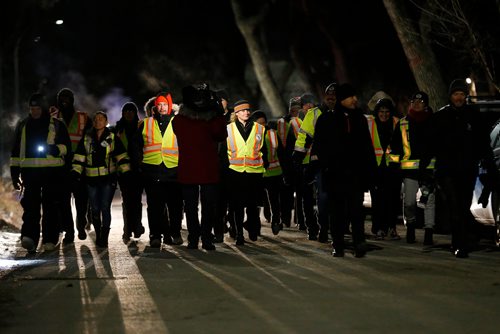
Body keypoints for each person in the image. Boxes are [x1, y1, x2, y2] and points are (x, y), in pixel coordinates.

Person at [420, 79, 499, 258]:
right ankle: (459, 244)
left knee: (463, 207)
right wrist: (424, 168)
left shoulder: (473, 115)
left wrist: (489, 165)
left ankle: (462, 240)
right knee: (454, 206)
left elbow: (483, 144)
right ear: (450, 96)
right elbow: (430, 144)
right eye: (456, 94)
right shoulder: (441, 117)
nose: (459, 97)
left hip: (467, 169)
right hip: (447, 170)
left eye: (462, 94)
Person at [315, 83, 377, 258]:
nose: (355, 99)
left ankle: (359, 242)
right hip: (335, 175)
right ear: (342, 99)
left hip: (356, 175)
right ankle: (338, 245)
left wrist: (370, 171)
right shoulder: (327, 119)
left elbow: (367, 147)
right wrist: (328, 166)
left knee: (357, 210)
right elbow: (320, 146)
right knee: (337, 212)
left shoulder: (360, 119)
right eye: (351, 96)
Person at [10, 93, 71, 253]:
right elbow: (15, 152)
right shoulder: (23, 125)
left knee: (50, 206)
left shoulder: (57, 125)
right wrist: (15, 174)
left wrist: (54, 149)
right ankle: (29, 238)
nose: (34, 111)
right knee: (31, 207)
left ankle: (50, 239)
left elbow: (67, 148)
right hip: (30, 174)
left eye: (37, 108)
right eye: (32, 108)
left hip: (52, 173)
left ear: (43, 108)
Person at [172, 83, 227, 250]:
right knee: (208, 206)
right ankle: (206, 238)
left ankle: (193, 238)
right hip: (208, 168)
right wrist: (216, 112)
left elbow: (178, 128)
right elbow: (221, 134)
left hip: (188, 169)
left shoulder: (180, 120)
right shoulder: (212, 120)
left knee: (190, 206)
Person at [130, 91, 184, 248]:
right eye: (159, 105)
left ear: (169, 106)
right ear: (155, 107)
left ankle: (175, 233)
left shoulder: (178, 122)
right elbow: (135, 146)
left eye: (164, 105)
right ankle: (155, 235)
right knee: (154, 207)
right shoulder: (145, 124)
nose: (161, 107)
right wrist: (139, 165)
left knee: (175, 206)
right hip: (152, 171)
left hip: (173, 170)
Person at [72, 111, 130, 248]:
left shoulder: (112, 138)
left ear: (105, 122)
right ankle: (98, 234)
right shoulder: (87, 138)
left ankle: (104, 237)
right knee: (95, 209)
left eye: (101, 119)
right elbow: (79, 157)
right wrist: (75, 172)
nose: (98, 121)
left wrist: (126, 172)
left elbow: (121, 156)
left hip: (107, 180)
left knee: (105, 207)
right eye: (96, 119)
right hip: (91, 180)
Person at [389, 91, 435, 245]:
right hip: (409, 171)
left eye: (420, 102)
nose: (416, 104)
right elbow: (394, 148)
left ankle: (429, 232)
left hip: (429, 171)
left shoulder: (433, 122)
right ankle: (411, 226)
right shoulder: (402, 123)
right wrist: (394, 166)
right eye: (414, 101)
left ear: (426, 104)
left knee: (429, 202)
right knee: (409, 203)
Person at [293, 83, 337, 242]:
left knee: (334, 198)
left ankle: (334, 227)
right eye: (329, 96)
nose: (331, 99)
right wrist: (297, 158)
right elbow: (303, 137)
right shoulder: (315, 114)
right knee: (320, 198)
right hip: (316, 164)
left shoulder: (345, 114)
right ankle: (321, 228)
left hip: (337, 164)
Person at [49, 88, 92, 243]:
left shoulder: (83, 118)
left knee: (81, 201)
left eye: (67, 98)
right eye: (61, 98)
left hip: (80, 165)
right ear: (57, 100)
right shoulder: (52, 118)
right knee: (63, 202)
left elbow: (89, 139)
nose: (64, 100)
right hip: (60, 165)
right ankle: (69, 232)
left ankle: (81, 223)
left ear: (73, 100)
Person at [224, 100, 267, 245]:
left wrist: (264, 168)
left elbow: (264, 150)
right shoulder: (228, 129)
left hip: (254, 172)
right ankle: (239, 234)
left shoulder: (259, 128)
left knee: (252, 205)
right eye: (242, 110)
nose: (246, 112)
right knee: (237, 206)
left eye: (248, 110)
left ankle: (253, 230)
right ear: (236, 113)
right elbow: (223, 152)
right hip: (235, 172)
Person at [366, 98, 401, 240]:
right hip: (376, 168)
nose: (384, 115)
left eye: (387, 112)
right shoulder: (371, 123)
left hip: (393, 168)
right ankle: (379, 228)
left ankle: (391, 228)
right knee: (378, 200)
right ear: (377, 112)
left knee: (393, 199)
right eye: (381, 112)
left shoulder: (397, 122)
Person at [112, 102, 145, 243]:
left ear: (135, 113)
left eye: (131, 111)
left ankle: (136, 226)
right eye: (126, 111)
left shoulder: (141, 126)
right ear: (123, 113)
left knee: (136, 200)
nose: (129, 113)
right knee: (127, 200)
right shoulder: (117, 129)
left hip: (138, 169)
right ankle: (127, 229)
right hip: (123, 171)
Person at [251, 110, 285, 235]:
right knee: (269, 200)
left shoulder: (257, 134)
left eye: (263, 123)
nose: (262, 126)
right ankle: (272, 221)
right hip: (267, 173)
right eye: (260, 124)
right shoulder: (272, 133)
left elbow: (281, 153)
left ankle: (271, 222)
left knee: (266, 200)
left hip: (269, 173)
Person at [277, 97, 302, 228]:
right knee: (286, 193)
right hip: (287, 162)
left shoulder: (302, 121)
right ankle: (285, 218)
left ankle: (299, 220)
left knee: (300, 193)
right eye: (294, 108)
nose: (296, 110)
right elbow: (281, 145)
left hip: (299, 161)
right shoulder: (283, 122)